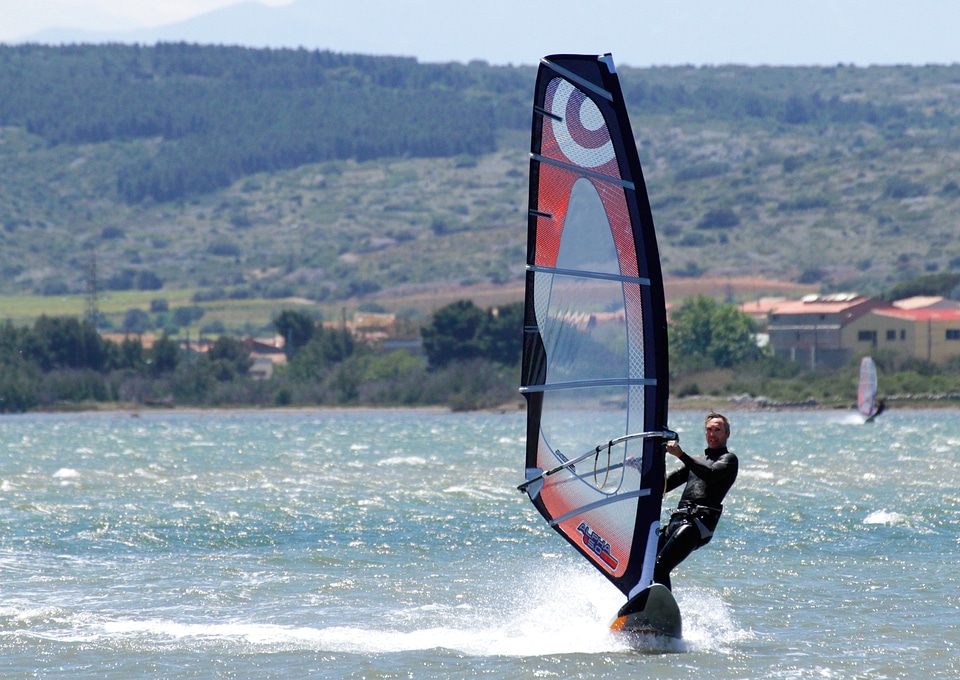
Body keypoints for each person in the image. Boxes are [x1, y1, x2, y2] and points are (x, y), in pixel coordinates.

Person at [653, 411, 738, 590]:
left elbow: (711, 475)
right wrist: (639, 468)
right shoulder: (696, 462)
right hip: (677, 522)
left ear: (727, 434)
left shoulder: (729, 460)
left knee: (660, 567)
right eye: (709, 430)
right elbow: (664, 486)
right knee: (646, 564)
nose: (712, 434)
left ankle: (663, 614)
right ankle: (642, 604)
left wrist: (681, 455)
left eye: (717, 430)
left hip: (697, 524)